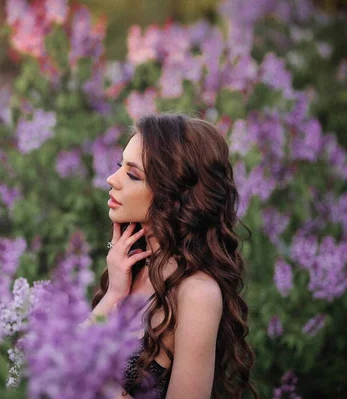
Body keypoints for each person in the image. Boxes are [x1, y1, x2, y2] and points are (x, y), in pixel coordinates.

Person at [85, 113, 258, 398]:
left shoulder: (197, 293)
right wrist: (113, 294)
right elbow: (64, 358)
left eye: (132, 174)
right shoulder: (132, 266)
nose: (111, 179)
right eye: (120, 166)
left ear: (171, 193)